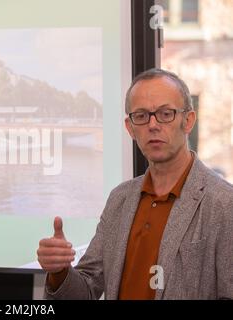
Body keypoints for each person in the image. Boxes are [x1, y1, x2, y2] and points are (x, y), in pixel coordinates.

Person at [37, 68, 233, 300]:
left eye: (165, 113)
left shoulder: (223, 204)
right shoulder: (120, 199)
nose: (152, 125)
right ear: (130, 128)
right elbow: (87, 290)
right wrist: (59, 272)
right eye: (141, 116)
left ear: (188, 121)